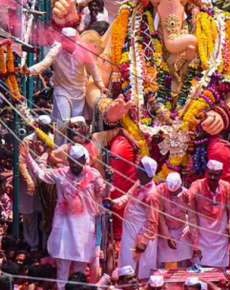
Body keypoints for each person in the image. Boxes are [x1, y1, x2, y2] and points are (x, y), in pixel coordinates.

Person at [23, 144, 105, 290]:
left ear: (84, 160)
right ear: (68, 160)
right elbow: (40, 174)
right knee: (62, 272)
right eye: (72, 162)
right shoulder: (61, 173)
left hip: (84, 232)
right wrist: (28, 158)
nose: (75, 165)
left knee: (79, 273)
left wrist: (104, 190)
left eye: (78, 161)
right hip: (64, 232)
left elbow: (102, 195)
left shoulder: (94, 175)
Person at [27, 27, 108, 145]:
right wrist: (28, 71)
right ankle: (60, 150)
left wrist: (101, 86)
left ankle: (74, 151)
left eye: (72, 40)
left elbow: (94, 70)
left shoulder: (83, 50)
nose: (70, 43)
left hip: (79, 92)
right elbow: (44, 64)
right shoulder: (56, 49)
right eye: (67, 40)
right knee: (63, 123)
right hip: (62, 91)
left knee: (77, 127)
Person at [111, 156, 159, 280]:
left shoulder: (151, 195)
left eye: (140, 167)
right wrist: (114, 203)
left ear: (145, 172)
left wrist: (143, 242)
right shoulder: (139, 183)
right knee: (127, 266)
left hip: (140, 237)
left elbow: (152, 222)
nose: (136, 168)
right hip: (129, 233)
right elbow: (127, 197)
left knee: (141, 270)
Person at [187, 160, 230, 269]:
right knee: (201, 270)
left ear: (221, 174)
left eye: (216, 175)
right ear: (205, 172)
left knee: (220, 271)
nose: (212, 177)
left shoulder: (226, 187)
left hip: (220, 235)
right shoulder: (197, 185)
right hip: (202, 234)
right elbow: (189, 196)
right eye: (210, 174)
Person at [155, 172, 193, 267]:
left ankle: (185, 280)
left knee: (184, 260)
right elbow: (160, 216)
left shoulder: (186, 194)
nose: (172, 194)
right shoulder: (160, 190)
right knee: (162, 260)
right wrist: (167, 237)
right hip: (165, 229)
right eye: (171, 192)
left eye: (175, 192)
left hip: (182, 230)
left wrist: (188, 227)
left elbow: (192, 214)